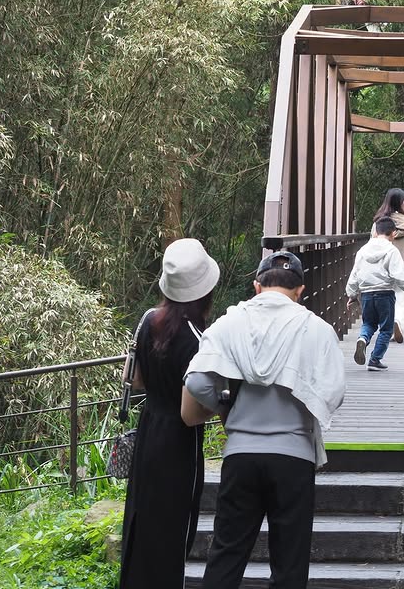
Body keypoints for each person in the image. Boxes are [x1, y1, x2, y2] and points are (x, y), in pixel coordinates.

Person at [181, 250, 346, 589]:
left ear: (257, 286)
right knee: (289, 562)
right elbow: (334, 392)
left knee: (227, 553)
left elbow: (196, 382)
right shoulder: (317, 329)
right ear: (300, 290)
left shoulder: (230, 322)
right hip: (294, 457)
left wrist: (223, 406)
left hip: (241, 455)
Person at [119, 237, 220, 589]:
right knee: (174, 529)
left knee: (142, 520)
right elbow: (190, 414)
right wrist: (223, 402)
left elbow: (134, 379)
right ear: (203, 291)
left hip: (150, 431)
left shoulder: (148, 320)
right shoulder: (197, 340)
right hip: (179, 443)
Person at [346, 216, 404, 371]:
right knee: (386, 329)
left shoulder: (363, 250)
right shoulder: (391, 250)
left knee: (368, 323)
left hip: (366, 294)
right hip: (385, 293)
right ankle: (375, 359)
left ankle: (363, 338)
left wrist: (352, 294)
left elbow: (354, 274)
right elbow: (399, 275)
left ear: (375, 232)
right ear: (393, 234)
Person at [371, 188, 404, 343]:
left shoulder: (378, 225)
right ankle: (398, 322)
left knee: (387, 299)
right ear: (400, 203)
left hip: (383, 268)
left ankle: (389, 324)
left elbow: (372, 245)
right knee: (402, 299)